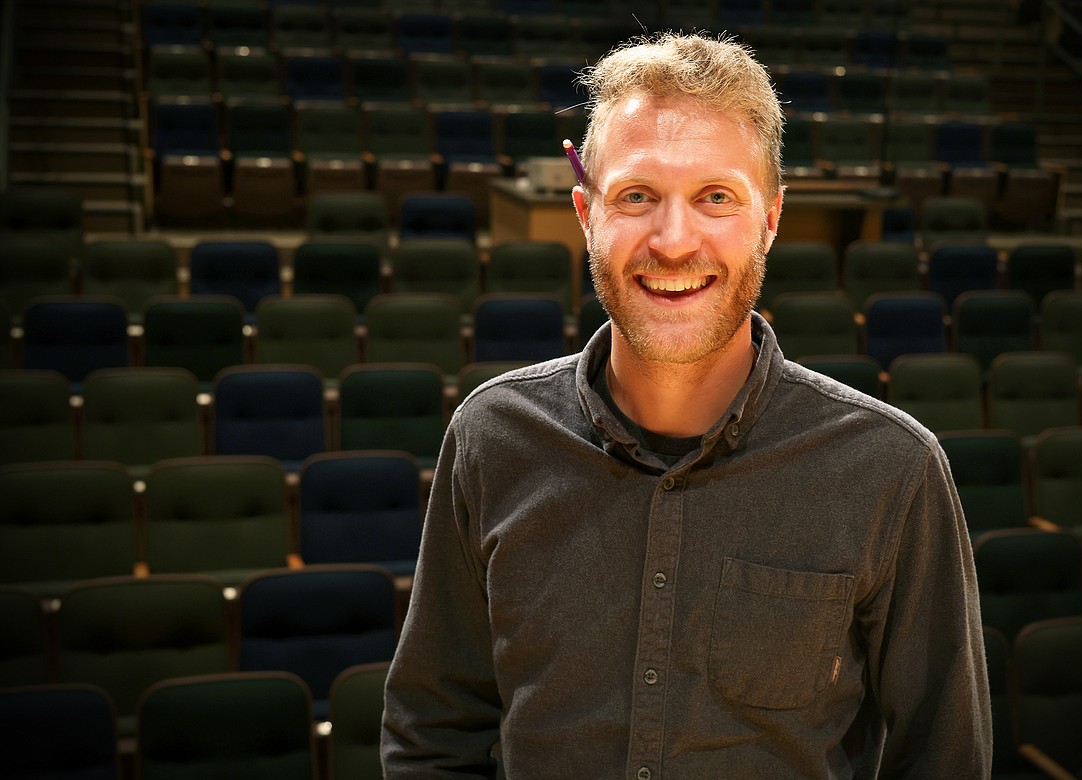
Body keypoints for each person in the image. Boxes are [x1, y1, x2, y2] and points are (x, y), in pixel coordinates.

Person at [383, 32, 991, 778]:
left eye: (716, 198)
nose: (674, 241)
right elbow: (433, 730)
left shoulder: (893, 470)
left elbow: (945, 758)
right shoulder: (491, 436)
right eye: (637, 196)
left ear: (769, 218)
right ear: (586, 213)